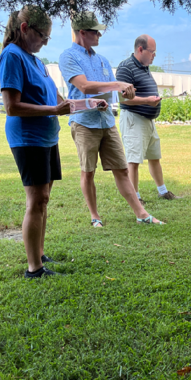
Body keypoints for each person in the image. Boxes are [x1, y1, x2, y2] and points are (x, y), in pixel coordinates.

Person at [59, 12, 164, 226]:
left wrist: (123, 93)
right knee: (88, 171)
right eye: (95, 31)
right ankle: (95, 216)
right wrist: (117, 85)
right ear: (82, 33)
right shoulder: (68, 57)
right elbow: (84, 86)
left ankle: (142, 215)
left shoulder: (102, 60)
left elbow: (112, 91)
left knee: (122, 169)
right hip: (84, 122)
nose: (99, 34)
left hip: (106, 121)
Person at [0, 6, 72, 278]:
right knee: (36, 199)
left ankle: (39, 252)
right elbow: (12, 107)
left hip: (47, 137)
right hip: (28, 138)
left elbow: (55, 99)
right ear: (25, 28)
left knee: (45, 198)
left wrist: (82, 104)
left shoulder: (37, 61)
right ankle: (35, 269)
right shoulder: (12, 56)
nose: (44, 42)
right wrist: (54, 110)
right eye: (42, 35)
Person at [117, 34, 181, 201]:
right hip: (133, 119)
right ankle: (135, 197)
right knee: (134, 160)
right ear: (140, 49)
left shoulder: (144, 67)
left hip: (148, 121)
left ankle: (163, 191)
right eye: (152, 52)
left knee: (154, 156)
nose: (154, 55)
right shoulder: (126, 67)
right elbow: (122, 98)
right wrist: (147, 101)